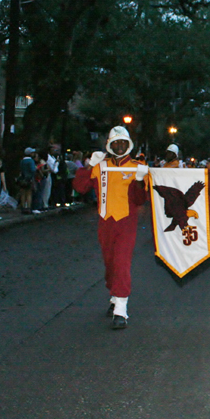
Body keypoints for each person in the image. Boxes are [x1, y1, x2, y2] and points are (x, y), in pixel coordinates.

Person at [73, 126, 149, 330]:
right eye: (116, 143)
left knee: (122, 261)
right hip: (105, 221)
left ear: (129, 145)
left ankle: (121, 310)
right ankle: (114, 295)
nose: (120, 146)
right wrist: (89, 166)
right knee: (110, 264)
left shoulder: (137, 166)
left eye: (124, 143)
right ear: (109, 145)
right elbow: (80, 188)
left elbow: (141, 199)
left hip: (126, 222)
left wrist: (140, 180)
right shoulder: (101, 166)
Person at [18, 147, 36, 214]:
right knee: (29, 193)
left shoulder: (22, 161)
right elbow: (33, 170)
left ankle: (23, 207)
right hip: (29, 179)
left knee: (23, 193)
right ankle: (28, 207)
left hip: (23, 179)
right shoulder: (31, 161)